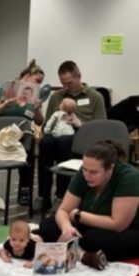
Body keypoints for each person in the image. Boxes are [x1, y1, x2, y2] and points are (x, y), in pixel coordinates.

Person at [36, 140, 139, 267]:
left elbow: (118, 224)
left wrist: (79, 215)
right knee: (48, 224)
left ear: (110, 168)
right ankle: (83, 255)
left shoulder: (128, 177)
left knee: (94, 239)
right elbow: (63, 210)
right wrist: (66, 228)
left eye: (94, 172)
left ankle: (70, 247)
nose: (87, 175)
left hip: (126, 230)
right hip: (89, 226)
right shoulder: (84, 174)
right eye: (85, 169)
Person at [38, 60, 106, 216]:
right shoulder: (57, 96)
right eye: (63, 83)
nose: (66, 87)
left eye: (69, 82)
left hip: (82, 138)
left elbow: (101, 128)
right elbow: (47, 124)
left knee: (65, 142)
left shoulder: (95, 97)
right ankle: (44, 195)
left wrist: (79, 123)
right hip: (57, 134)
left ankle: (62, 195)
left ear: (79, 77)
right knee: (45, 143)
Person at [0, 59, 45, 205]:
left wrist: (37, 109)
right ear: (28, 76)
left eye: (41, 82)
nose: (38, 84)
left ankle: (24, 190)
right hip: (1, 132)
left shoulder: (35, 95)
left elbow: (39, 121)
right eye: (37, 80)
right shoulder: (5, 89)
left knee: (28, 153)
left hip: (22, 133)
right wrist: (5, 105)